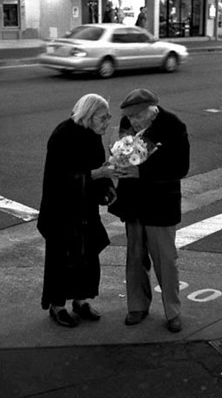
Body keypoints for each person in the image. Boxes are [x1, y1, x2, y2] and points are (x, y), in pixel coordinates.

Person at [108, 89, 190, 333]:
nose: (132, 122)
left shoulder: (173, 125)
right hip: (134, 201)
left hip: (161, 203)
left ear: (152, 110)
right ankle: (137, 306)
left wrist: (141, 172)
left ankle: (173, 311)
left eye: (137, 117)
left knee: (165, 260)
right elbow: (124, 153)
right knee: (135, 256)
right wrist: (118, 163)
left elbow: (180, 168)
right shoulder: (127, 123)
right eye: (130, 117)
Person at [38, 93, 121, 328]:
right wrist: (99, 175)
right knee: (61, 259)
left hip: (85, 207)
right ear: (89, 115)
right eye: (103, 118)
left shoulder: (93, 136)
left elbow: (98, 166)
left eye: (108, 117)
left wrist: (107, 187)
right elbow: (60, 178)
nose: (107, 122)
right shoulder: (63, 134)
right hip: (61, 209)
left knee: (87, 256)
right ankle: (58, 306)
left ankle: (80, 301)